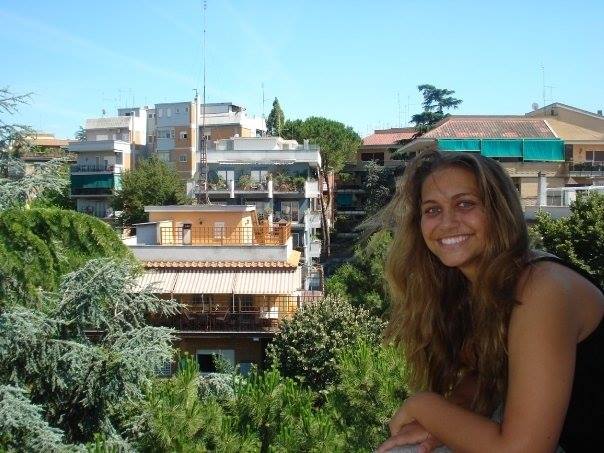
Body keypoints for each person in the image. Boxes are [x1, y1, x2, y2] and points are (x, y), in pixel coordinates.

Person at [376, 150, 604, 453]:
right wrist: (448, 415)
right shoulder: (474, 285)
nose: (446, 222)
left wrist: (425, 407)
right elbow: (485, 372)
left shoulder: (541, 289)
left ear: (499, 211)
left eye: (465, 204)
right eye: (432, 210)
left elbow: (524, 450)